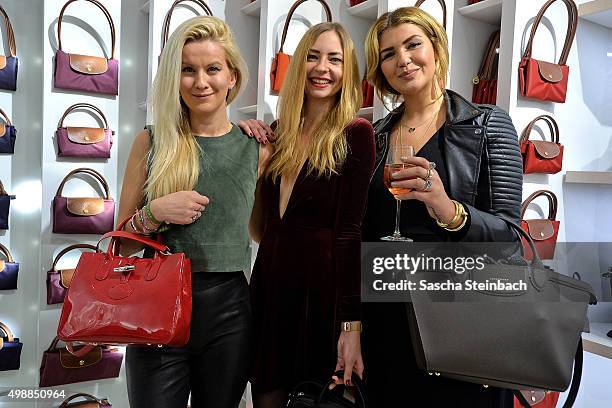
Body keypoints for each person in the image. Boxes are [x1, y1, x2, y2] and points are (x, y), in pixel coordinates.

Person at [361, 6, 523, 406]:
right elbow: (361, 238)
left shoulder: (486, 124)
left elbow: (511, 239)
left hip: (463, 325)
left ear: (435, 48)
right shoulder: (375, 136)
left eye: (413, 44)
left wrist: (446, 208)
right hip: (386, 325)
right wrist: (351, 326)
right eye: (388, 54)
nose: (403, 60)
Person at [116, 16, 271, 408]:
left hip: (230, 310)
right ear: (174, 77)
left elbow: (258, 232)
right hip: (157, 304)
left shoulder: (257, 149)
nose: (201, 82)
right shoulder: (151, 141)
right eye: (188, 70)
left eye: (212, 69)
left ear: (232, 77)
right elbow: (120, 246)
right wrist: (154, 212)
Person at [242, 22, 375, 408]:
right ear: (299, 65)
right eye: (313, 57)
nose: (322, 68)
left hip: (321, 299)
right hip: (270, 291)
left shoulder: (355, 134)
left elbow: (351, 235)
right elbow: (262, 230)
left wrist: (351, 326)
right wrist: (256, 167)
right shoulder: (280, 131)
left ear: (347, 71)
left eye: (334, 59)